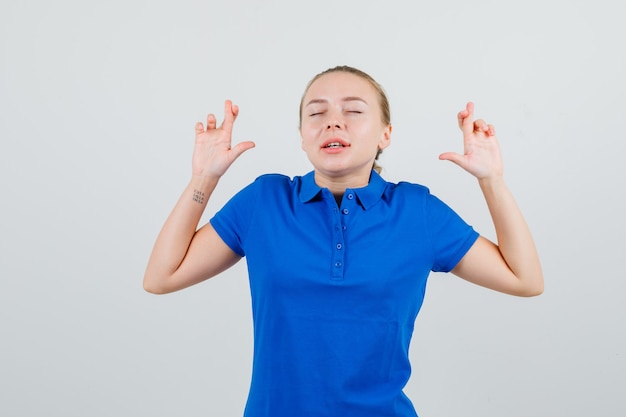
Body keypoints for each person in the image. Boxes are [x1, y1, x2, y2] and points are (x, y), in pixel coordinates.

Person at [143, 65, 544, 417]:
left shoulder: (417, 211)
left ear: (385, 134)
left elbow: (524, 279)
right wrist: (204, 178)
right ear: (302, 136)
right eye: (316, 113)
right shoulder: (264, 202)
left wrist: (491, 180)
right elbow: (162, 276)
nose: (333, 123)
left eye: (353, 111)